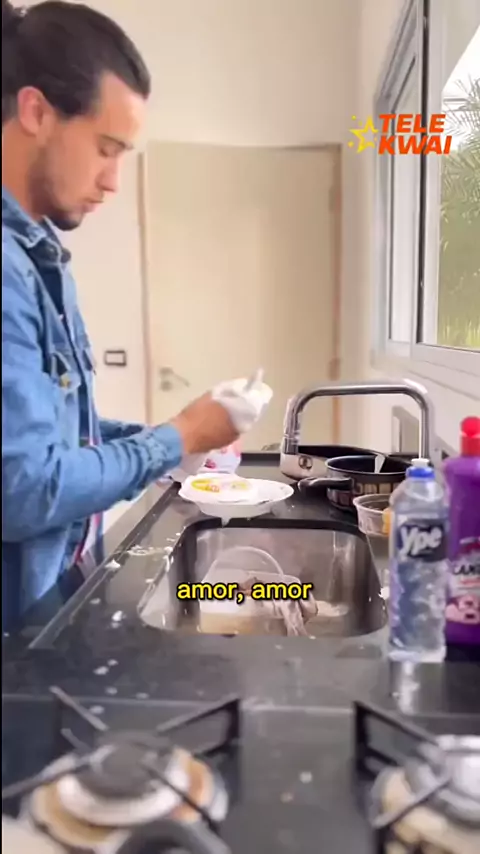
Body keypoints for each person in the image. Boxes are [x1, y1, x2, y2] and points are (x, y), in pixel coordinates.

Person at [2, 0, 240, 631]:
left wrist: (173, 439)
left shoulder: (38, 256)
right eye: (106, 148)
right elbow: (26, 491)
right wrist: (178, 437)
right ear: (36, 112)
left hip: (50, 602)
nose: (112, 180)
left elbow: (55, 436)